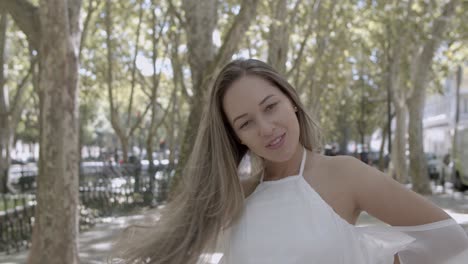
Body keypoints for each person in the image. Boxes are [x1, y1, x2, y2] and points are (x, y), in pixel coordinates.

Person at [113, 59, 468, 264]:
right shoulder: (236, 196)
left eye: (271, 106)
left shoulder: (344, 174)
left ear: (291, 101)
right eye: (246, 122)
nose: (267, 128)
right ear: (236, 136)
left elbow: (449, 238)